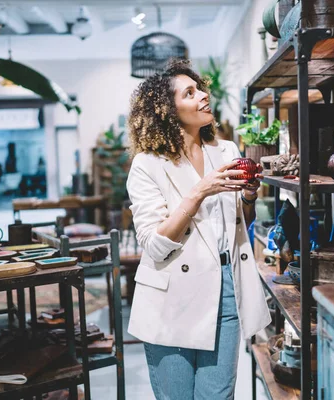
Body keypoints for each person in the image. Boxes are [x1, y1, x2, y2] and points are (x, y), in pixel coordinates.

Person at [126, 59, 271, 399]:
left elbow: (238, 226)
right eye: (190, 93)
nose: (204, 95)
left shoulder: (227, 152)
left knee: (218, 396)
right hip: (171, 298)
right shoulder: (147, 165)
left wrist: (248, 197)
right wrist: (201, 190)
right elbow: (155, 245)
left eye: (200, 88)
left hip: (226, 288)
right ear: (167, 111)